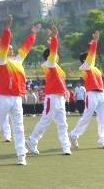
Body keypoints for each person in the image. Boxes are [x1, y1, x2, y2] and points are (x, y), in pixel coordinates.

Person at [0, 15, 40, 166]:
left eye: (11, 48)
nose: (11, 49)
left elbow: (26, 47)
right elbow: (4, 45)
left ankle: (21, 155)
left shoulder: (18, 60)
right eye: (8, 48)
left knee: (19, 127)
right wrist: (7, 29)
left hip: (16, 98)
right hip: (3, 97)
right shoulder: (0, 61)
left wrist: (33, 34)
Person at [26, 25, 72, 156]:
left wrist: (65, 92)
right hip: (52, 98)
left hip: (60, 98)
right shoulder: (49, 64)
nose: (57, 56)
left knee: (63, 124)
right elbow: (53, 51)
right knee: (45, 121)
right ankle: (32, 141)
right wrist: (54, 37)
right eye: (55, 54)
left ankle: (66, 147)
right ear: (50, 56)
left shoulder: (56, 67)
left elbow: (61, 81)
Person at [69, 30, 104, 149]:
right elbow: (91, 54)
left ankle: (102, 140)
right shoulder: (85, 67)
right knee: (87, 116)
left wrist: (94, 42)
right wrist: (94, 42)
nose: (92, 57)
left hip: (101, 94)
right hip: (91, 94)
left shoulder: (94, 68)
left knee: (103, 119)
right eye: (89, 57)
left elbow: (92, 55)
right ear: (85, 60)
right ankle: (73, 135)